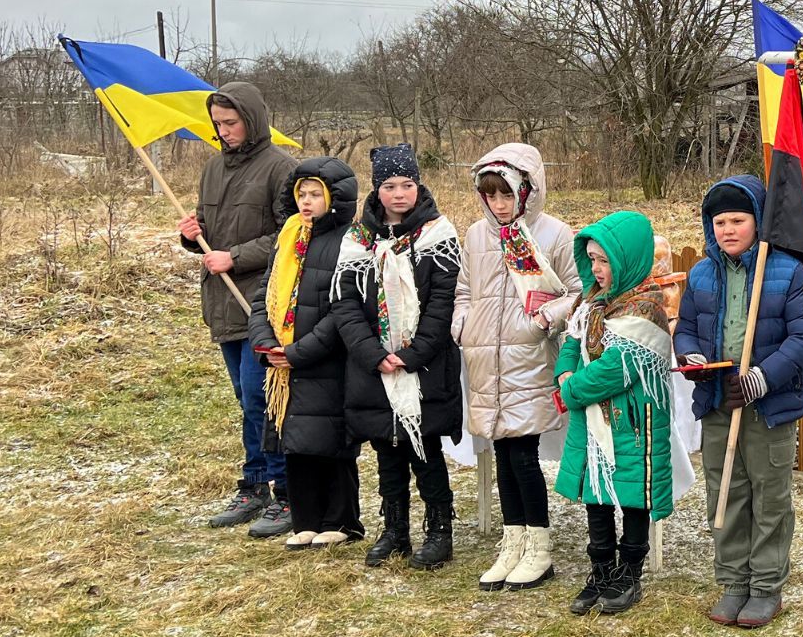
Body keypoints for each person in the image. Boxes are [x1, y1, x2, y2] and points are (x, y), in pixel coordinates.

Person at [672, 175, 803, 629]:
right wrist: (691, 355)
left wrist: (762, 379)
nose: (728, 230)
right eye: (719, 222)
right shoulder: (702, 272)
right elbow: (686, 326)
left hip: (766, 407)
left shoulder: (786, 272)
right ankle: (734, 579)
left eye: (738, 220)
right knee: (727, 493)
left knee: (769, 495)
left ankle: (765, 584)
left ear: (758, 221)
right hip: (720, 404)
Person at [454, 143, 582, 591]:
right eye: (490, 196)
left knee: (524, 454)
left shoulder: (553, 234)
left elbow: (576, 289)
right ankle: (513, 541)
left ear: (527, 190)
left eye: (506, 195)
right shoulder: (475, 236)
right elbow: (464, 289)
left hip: (529, 356)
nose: (499, 204)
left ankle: (539, 547)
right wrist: (462, 325)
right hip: (486, 358)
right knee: (501, 452)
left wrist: (545, 319)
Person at [330, 144, 463, 570]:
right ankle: (395, 529)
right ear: (377, 189)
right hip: (372, 365)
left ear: (418, 185)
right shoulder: (358, 239)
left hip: (424, 363)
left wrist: (412, 353)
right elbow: (345, 304)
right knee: (386, 448)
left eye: (407, 184)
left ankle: (439, 530)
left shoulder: (437, 234)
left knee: (424, 448)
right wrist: (373, 354)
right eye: (390, 186)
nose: (400, 194)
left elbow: (444, 302)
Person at [178, 82, 298, 537]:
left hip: (264, 303)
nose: (223, 131)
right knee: (244, 400)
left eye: (231, 122)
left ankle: (286, 491)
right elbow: (209, 231)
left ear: (252, 118)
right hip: (224, 303)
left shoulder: (282, 169)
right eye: (217, 123)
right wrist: (192, 235)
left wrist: (236, 256)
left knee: (263, 399)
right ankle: (253, 485)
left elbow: (291, 236)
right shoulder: (212, 169)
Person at [554, 211, 674, 616]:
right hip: (594, 422)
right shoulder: (589, 303)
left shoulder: (645, 308)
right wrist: (565, 370)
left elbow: (616, 370)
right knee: (597, 493)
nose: (596, 269)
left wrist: (570, 388)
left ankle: (630, 571)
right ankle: (601, 568)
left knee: (633, 495)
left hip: (634, 423)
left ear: (627, 259)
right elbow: (571, 344)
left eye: (604, 260)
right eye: (590, 259)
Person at [247, 157, 365, 551]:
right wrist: (267, 345)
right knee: (295, 440)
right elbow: (265, 296)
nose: (307, 202)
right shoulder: (288, 237)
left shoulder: (350, 240)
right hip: (283, 364)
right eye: (302, 194)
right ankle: (306, 520)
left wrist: (299, 351)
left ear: (335, 197)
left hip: (327, 360)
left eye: (316, 194)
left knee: (330, 439)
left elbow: (345, 307)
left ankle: (342, 521)